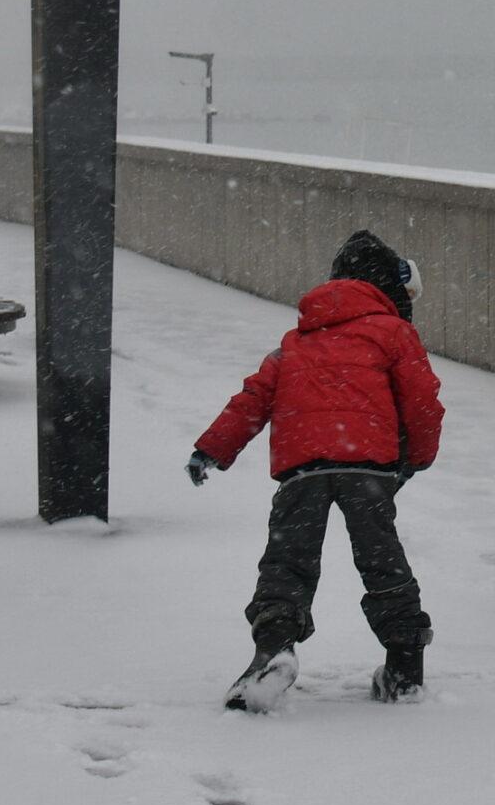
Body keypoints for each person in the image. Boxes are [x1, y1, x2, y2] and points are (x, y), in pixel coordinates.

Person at [189, 230, 446, 710]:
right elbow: (423, 401)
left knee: (288, 561)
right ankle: (405, 666)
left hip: (303, 466)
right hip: (368, 467)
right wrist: (416, 458)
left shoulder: (296, 340)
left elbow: (253, 398)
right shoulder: (393, 333)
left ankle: (273, 650)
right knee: (382, 560)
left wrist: (211, 449)